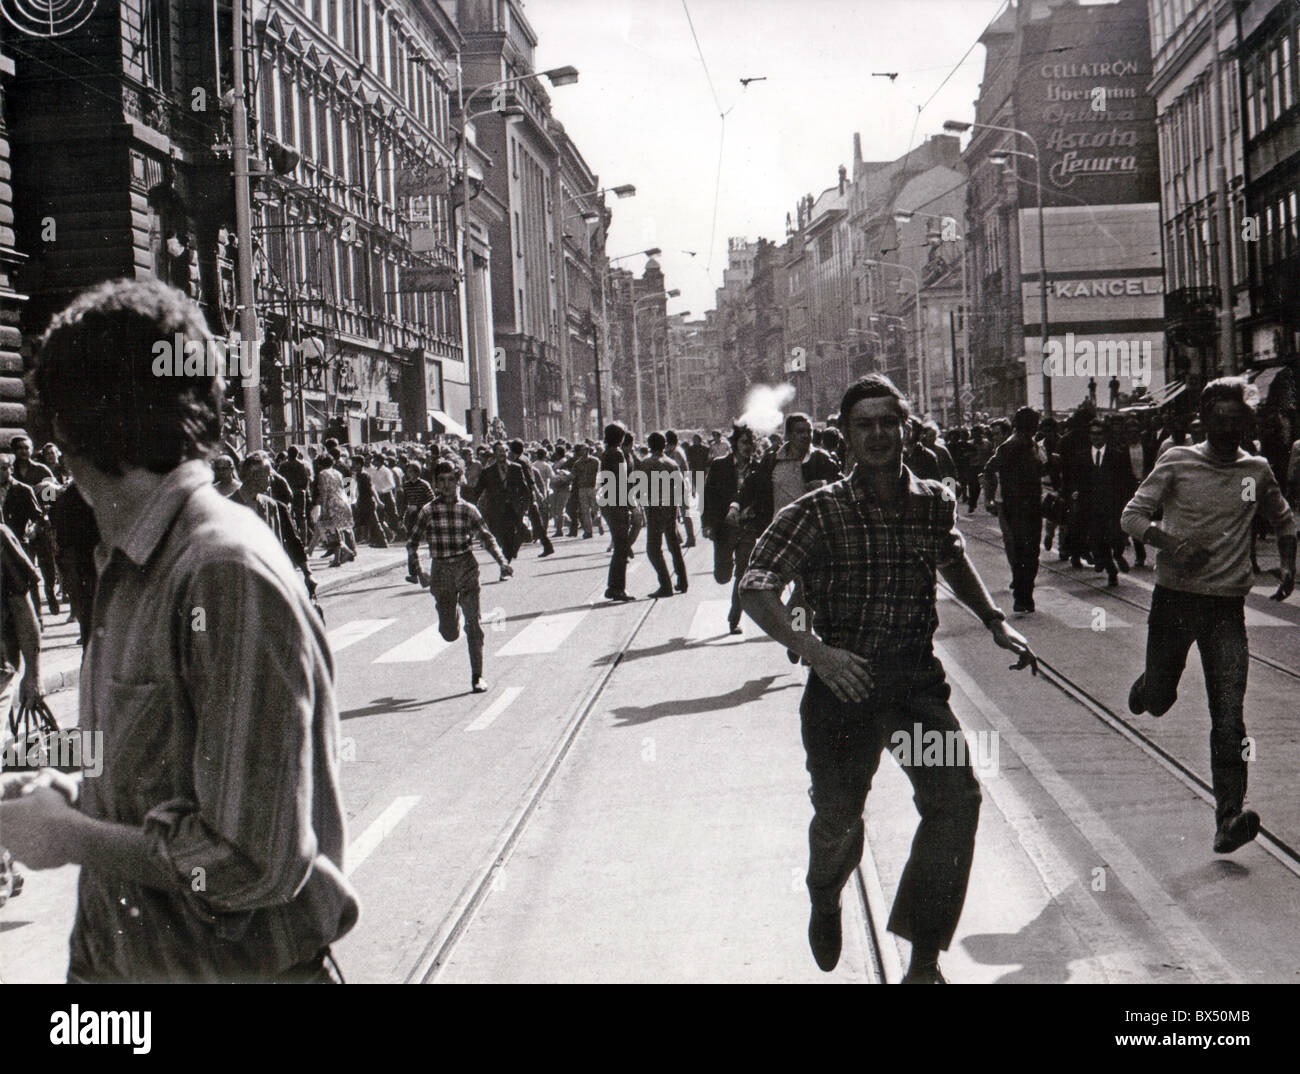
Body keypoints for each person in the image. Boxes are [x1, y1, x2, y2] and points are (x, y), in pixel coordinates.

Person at [0, 278, 358, 982]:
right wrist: (75, 797)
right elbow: (171, 779)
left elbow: (252, 863)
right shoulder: (137, 561)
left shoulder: (220, 571)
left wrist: (70, 836)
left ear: (74, 429)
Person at [739, 374, 1037, 983]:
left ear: (905, 429)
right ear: (846, 437)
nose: (877, 434)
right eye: (864, 424)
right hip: (842, 691)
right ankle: (825, 894)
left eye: (887, 422)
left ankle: (923, 963)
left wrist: (994, 620)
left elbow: (950, 555)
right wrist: (814, 651)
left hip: (912, 689)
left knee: (956, 803)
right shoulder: (817, 512)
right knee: (838, 821)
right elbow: (756, 585)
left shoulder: (932, 500)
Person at [1122, 378, 1296, 855]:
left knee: (1229, 718)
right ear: (1203, 422)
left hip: (1225, 609)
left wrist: (1289, 562)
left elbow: (1283, 518)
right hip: (1174, 602)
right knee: (1159, 700)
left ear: (1246, 423)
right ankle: (1149, 688)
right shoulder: (1177, 461)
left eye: (1236, 422)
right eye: (1218, 422)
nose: (1227, 430)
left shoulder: (1256, 470)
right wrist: (1171, 542)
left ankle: (1228, 817)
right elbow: (1132, 517)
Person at [412, 460, 513, 693]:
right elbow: (412, 543)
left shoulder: (468, 509)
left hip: (466, 567)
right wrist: (419, 570)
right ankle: (449, 614)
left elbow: (486, 538)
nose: (447, 486)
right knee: (449, 633)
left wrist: (502, 562)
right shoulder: (428, 511)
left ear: (459, 481)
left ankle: (477, 676)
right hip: (441, 571)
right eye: (442, 481)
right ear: (436, 484)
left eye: (451, 480)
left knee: (474, 625)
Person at [982, 407, 1046, 613]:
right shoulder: (1011, 446)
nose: (1037, 426)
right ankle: (1022, 595)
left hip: (1030, 503)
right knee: (1023, 551)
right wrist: (991, 497)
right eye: (1035, 422)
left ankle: (1025, 594)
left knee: (1030, 550)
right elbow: (990, 469)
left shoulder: (1030, 444)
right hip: (1016, 505)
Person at [231, 452, 316, 601]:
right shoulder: (228, 505)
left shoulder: (271, 506)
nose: (272, 479)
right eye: (268, 475)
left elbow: (289, 540)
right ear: (254, 476)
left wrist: (307, 573)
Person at [701, 422, 758, 634]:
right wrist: (706, 524)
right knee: (722, 575)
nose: (748, 446)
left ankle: (734, 619)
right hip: (724, 528)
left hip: (748, 529)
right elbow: (708, 497)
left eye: (751, 442)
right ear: (735, 444)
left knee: (743, 575)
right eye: (744, 442)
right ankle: (725, 568)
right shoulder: (719, 465)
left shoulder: (758, 467)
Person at [640, 432, 689, 598]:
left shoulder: (646, 463)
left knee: (653, 549)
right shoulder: (672, 463)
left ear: (649, 445)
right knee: (674, 546)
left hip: (655, 508)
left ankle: (665, 585)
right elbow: (681, 488)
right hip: (671, 507)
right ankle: (682, 581)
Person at [474, 441, 531, 563]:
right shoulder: (487, 472)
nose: (503, 454)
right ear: (494, 453)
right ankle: (506, 560)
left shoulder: (516, 468)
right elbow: (478, 491)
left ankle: (506, 562)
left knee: (511, 537)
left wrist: (524, 507)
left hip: (513, 509)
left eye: (505, 451)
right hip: (495, 510)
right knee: (500, 538)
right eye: (499, 451)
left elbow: (524, 489)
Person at [597, 422, 636, 602]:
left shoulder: (606, 453)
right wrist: (630, 505)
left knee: (620, 547)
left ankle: (614, 586)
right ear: (620, 438)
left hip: (609, 503)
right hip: (618, 504)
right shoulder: (618, 454)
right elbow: (622, 481)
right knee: (621, 548)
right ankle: (616, 588)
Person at [508, 439, 554, 557]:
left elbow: (528, 480)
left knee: (519, 522)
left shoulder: (519, 462)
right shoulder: (526, 460)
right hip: (529, 495)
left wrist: (536, 493)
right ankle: (546, 546)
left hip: (524, 495)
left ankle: (513, 551)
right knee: (535, 522)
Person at [663, 430, 697, 548]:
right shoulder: (674, 451)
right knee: (675, 512)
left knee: (683, 512)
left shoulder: (676, 452)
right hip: (678, 484)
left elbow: (674, 467)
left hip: (679, 484)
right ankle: (679, 537)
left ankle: (690, 537)